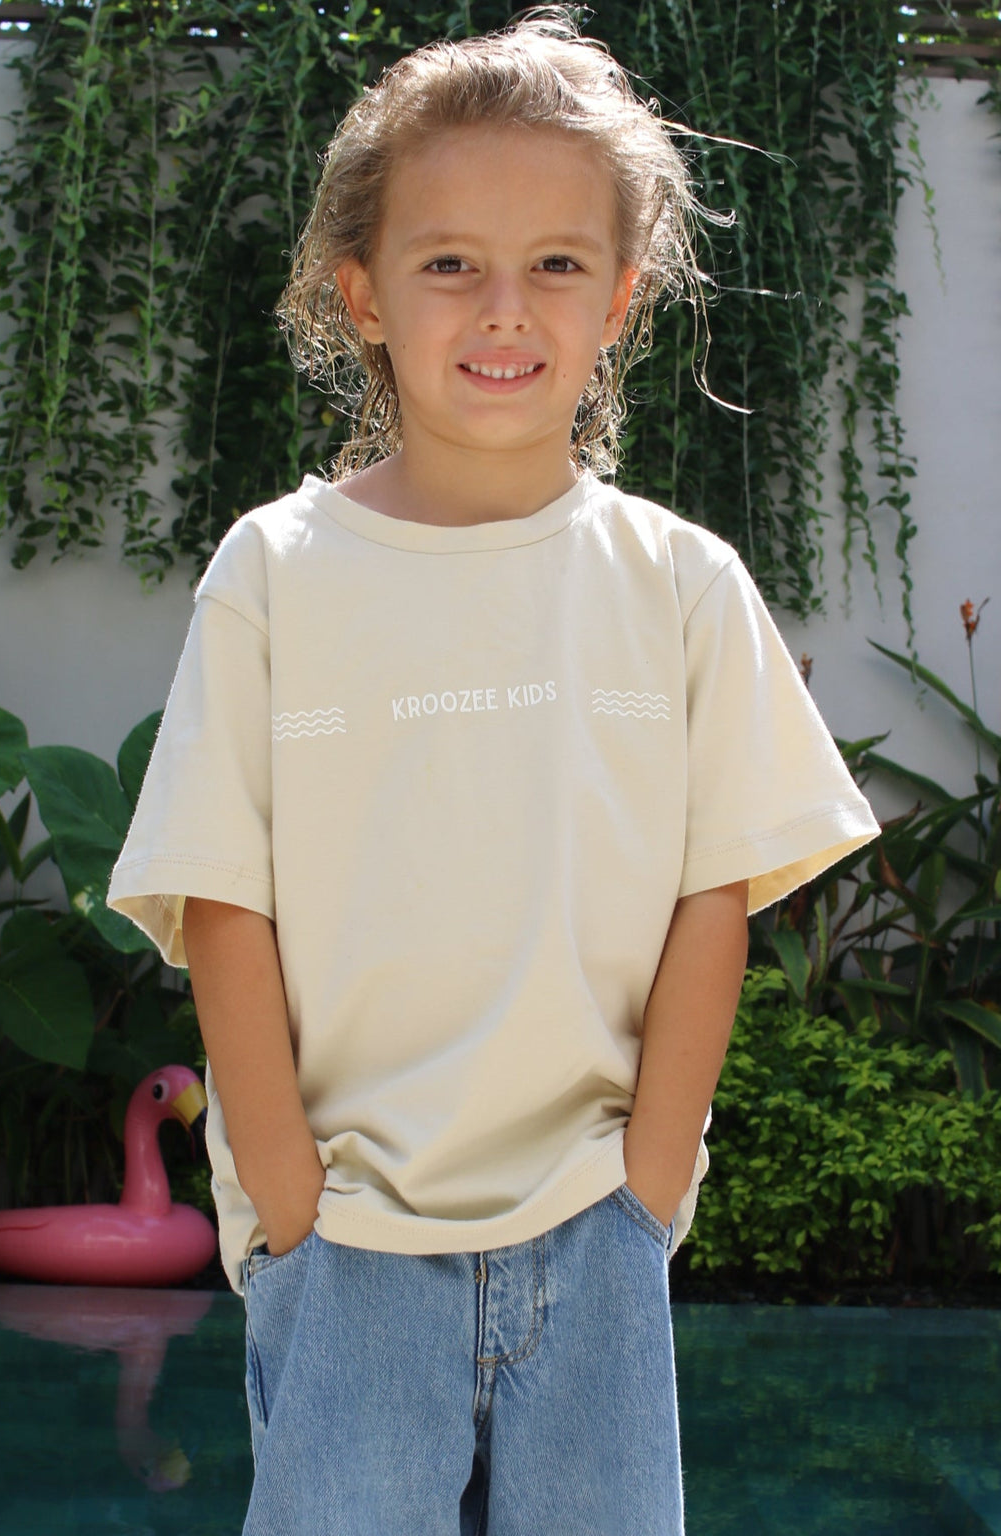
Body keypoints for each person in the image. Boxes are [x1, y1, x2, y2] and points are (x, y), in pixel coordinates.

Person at [108, 10, 880, 1534]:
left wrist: (648, 1189)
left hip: (595, 1226)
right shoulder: (275, 572)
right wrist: (290, 1205)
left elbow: (713, 899)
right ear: (364, 292)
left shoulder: (680, 583)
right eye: (451, 261)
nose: (504, 308)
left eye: (558, 263)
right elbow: (222, 901)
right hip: (343, 1242)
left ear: (622, 297)